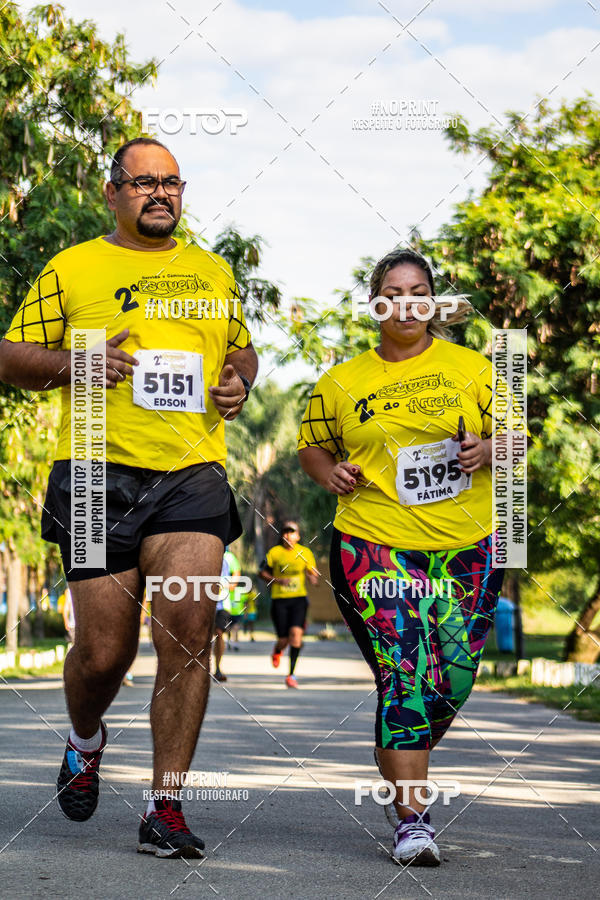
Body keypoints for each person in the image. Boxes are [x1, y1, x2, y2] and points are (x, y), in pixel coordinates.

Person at [0, 137, 258, 858]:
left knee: (188, 629)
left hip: (192, 474)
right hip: (90, 477)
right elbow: (10, 358)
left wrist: (240, 376)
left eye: (171, 182)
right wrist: (80, 362)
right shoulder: (72, 266)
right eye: (143, 182)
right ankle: (86, 739)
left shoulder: (210, 272)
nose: (160, 194)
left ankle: (164, 807)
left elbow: (241, 347)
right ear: (112, 193)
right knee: (102, 654)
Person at [298, 248, 512, 866]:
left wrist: (487, 451)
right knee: (407, 674)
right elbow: (313, 448)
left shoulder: (474, 369)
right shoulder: (342, 381)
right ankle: (413, 818)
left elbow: (517, 439)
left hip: (467, 548)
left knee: (455, 679)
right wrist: (331, 473)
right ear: (376, 304)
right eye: (393, 292)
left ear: (432, 301)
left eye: (420, 291)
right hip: (374, 544)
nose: (407, 303)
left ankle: (399, 745)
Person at [259, 521, 318, 688]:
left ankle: (291, 675)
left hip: (299, 599)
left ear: (298, 536)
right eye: (285, 531)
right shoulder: (274, 553)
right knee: (284, 640)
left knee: (296, 636)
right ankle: (277, 650)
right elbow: (261, 572)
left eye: (292, 532)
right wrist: (276, 580)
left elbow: (312, 572)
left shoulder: (305, 552)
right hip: (280, 600)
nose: (288, 534)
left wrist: (312, 577)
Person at [223, 546, 245, 649]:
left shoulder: (229, 557)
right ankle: (229, 642)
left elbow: (236, 571)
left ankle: (234, 643)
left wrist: (231, 585)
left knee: (234, 626)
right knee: (227, 627)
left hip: (235, 610)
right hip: (222, 604)